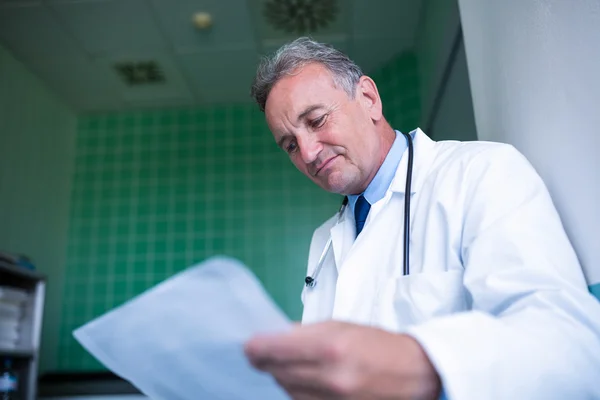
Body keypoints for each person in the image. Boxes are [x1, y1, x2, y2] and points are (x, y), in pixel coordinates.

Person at [243, 37, 600, 400]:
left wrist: (425, 365)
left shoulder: (480, 172)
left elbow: (569, 346)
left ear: (368, 99)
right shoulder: (323, 242)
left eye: (317, 120)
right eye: (290, 144)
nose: (307, 152)